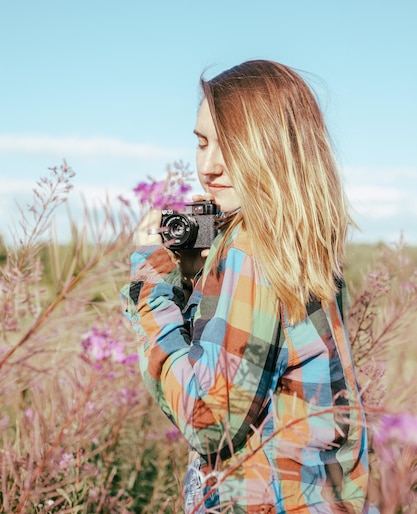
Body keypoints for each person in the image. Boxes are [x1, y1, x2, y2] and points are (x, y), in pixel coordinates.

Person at [122, 60, 376, 513]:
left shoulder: (253, 247)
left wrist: (152, 282)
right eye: (201, 143)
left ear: (275, 150)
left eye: (232, 145)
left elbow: (209, 419)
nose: (210, 166)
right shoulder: (299, 242)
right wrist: (201, 272)